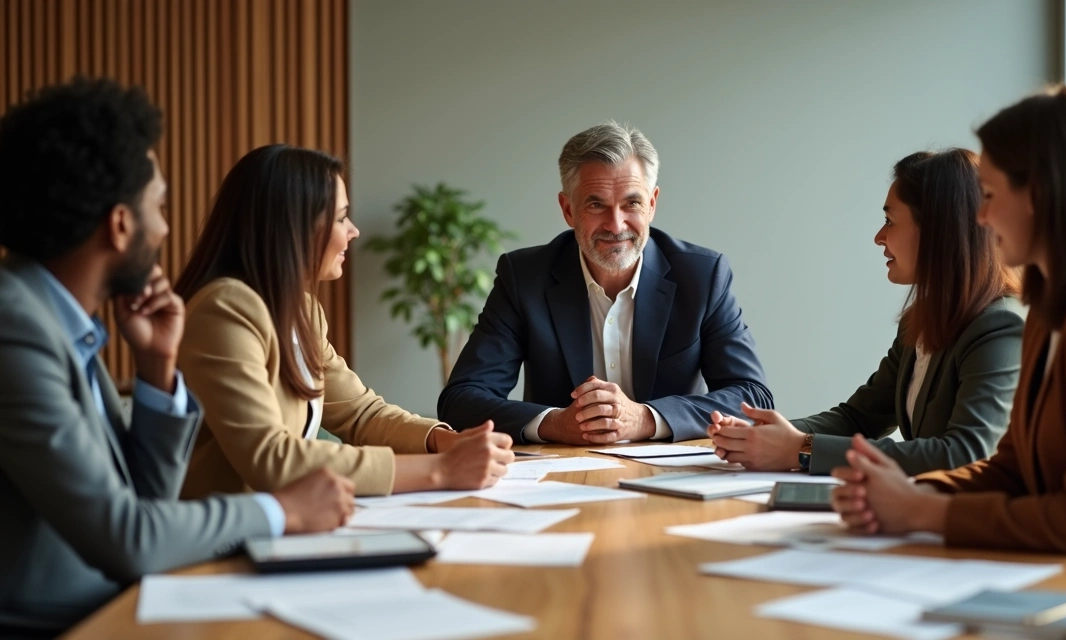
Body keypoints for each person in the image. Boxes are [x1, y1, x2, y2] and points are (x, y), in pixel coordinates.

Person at [0, 79, 353, 635]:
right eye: (159, 207)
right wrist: (283, 509)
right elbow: (127, 537)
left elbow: (144, 500)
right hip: (60, 624)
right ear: (121, 225)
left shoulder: (58, 321)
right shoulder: (15, 329)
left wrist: (156, 371)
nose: (166, 227)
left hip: (119, 603)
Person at [831, 85, 1066, 596]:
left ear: (1039, 195)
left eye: (989, 195)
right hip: (1054, 577)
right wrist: (903, 493)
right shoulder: (1052, 308)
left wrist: (924, 510)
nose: (980, 218)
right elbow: (1011, 469)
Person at [175, 145, 514, 498]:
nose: (353, 231)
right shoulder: (224, 310)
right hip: (227, 527)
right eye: (341, 218)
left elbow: (361, 414)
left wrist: (445, 441)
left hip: (292, 520)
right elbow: (272, 458)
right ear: (293, 226)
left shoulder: (302, 310)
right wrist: (441, 469)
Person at [437, 121, 773, 444]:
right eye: (596, 204)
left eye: (632, 203)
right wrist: (555, 424)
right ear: (568, 210)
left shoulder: (702, 276)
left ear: (652, 204)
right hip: (561, 470)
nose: (616, 225)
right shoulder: (524, 277)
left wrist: (645, 418)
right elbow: (461, 399)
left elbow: (752, 397)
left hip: (671, 470)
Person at [708, 149, 1023, 476]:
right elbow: (858, 418)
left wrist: (802, 449)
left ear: (937, 230)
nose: (878, 237)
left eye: (889, 221)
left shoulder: (999, 326)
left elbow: (967, 453)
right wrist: (762, 435)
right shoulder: (919, 321)